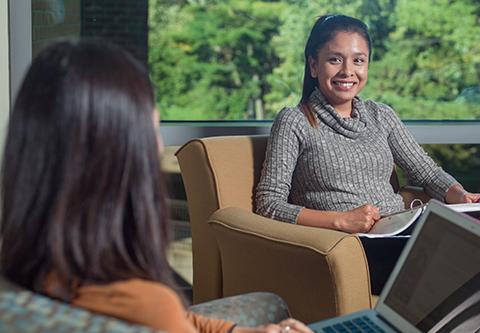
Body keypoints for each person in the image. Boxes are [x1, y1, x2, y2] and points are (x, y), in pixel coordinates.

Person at [0, 40, 312, 333]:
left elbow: (175, 318)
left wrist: (236, 330)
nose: (159, 145)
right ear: (122, 159)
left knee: (269, 304)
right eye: (152, 130)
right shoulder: (148, 303)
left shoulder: (34, 266)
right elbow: (160, 314)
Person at [254, 14, 480, 293]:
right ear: (313, 66)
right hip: (349, 248)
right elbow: (268, 204)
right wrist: (340, 221)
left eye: (358, 60)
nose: (348, 71)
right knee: (462, 265)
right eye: (335, 59)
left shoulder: (382, 115)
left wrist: (461, 196)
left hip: (403, 232)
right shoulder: (295, 121)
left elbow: (426, 172)